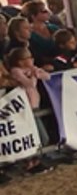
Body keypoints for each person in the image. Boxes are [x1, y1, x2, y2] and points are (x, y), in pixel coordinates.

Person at [4, 47, 53, 175]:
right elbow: (28, 84)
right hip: (25, 109)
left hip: (34, 105)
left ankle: (35, 161)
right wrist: (32, 75)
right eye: (29, 58)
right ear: (20, 62)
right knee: (39, 136)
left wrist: (36, 72)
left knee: (41, 136)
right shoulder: (16, 71)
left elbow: (47, 76)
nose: (32, 60)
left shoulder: (31, 69)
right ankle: (30, 163)